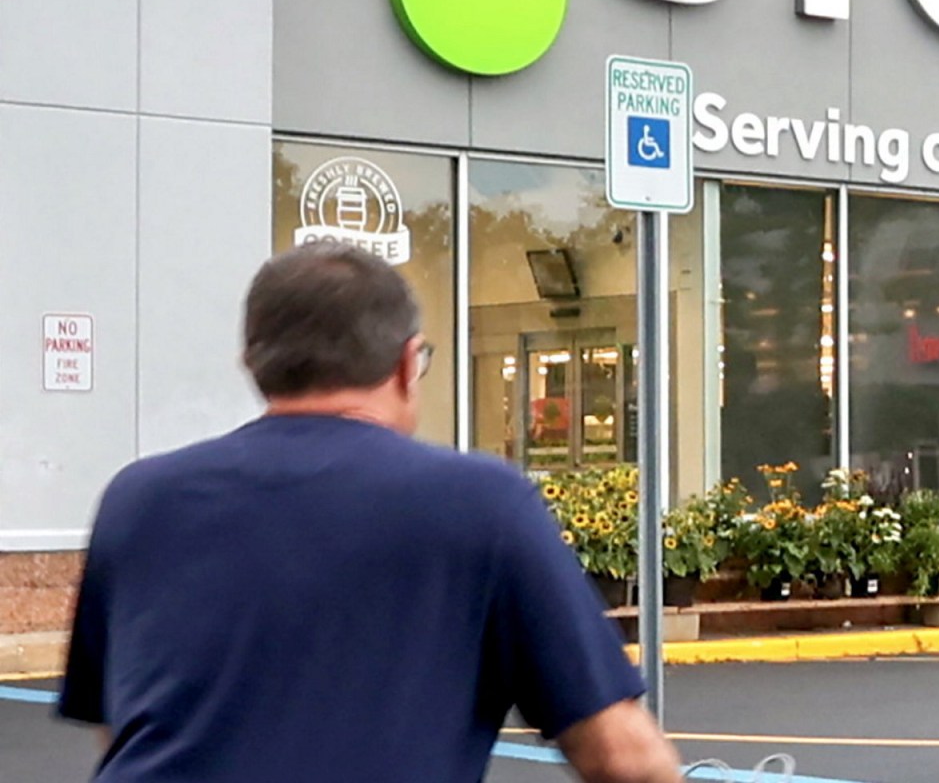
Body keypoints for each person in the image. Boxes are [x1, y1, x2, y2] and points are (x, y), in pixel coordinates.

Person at [57, 242, 682, 783]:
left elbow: (121, 728)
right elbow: (621, 757)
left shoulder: (139, 500)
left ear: (252, 364)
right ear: (408, 364)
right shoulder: (479, 502)